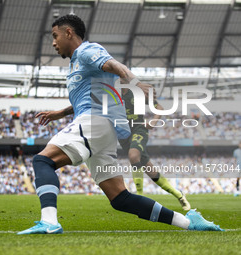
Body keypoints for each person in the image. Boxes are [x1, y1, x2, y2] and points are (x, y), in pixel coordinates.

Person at [17, 14, 223, 234]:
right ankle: (189, 222)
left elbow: (115, 66)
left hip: (94, 123)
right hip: (101, 129)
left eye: (55, 36)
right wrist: (63, 112)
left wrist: (136, 84)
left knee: (42, 161)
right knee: (120, 198)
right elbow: (93, 95)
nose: (53, 42)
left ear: (69, 33)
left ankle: (49, 222)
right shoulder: (77, 63)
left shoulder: (87, 51)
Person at [119, 89, 191, 210]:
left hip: (139, 130)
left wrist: (153, 121)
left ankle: (139, 198)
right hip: (124, 135)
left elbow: (159, 107)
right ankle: (179, 195)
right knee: (150, 170)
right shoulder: (110, 94)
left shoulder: (137, 94)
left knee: (133, 156)